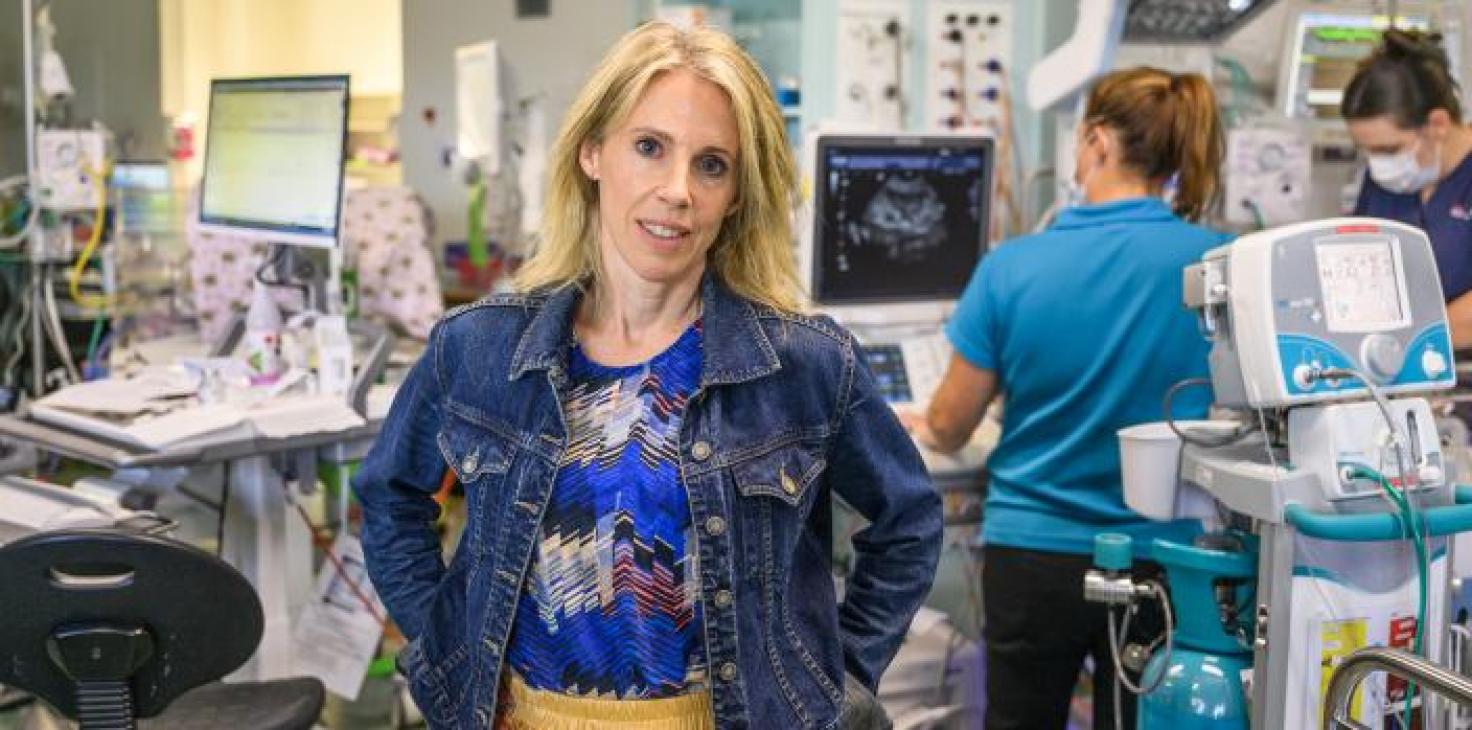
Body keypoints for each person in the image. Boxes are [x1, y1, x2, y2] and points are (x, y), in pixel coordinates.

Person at [353, 21, 942, 730]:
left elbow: (908, 522)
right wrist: (448, 646)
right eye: (649, 147)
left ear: (737, 195)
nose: (677, 191)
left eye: (712, 165)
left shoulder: (803, 364)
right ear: (592, 152)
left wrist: (829, 679)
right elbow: (389, 499)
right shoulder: (478, 349)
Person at [899, 67, 1230, 729]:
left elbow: (950, 425)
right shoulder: (1222, 263)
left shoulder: (1012, 269)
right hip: (1166, 560)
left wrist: (913, 421)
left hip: (1035, 556)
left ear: (1098, 143)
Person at [1343, 28, 1472, 348]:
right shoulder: (1381, 185)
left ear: (1438, 124)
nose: (1377, 165)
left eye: (1389, 150)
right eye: (1367, 150)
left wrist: (1410, 344)